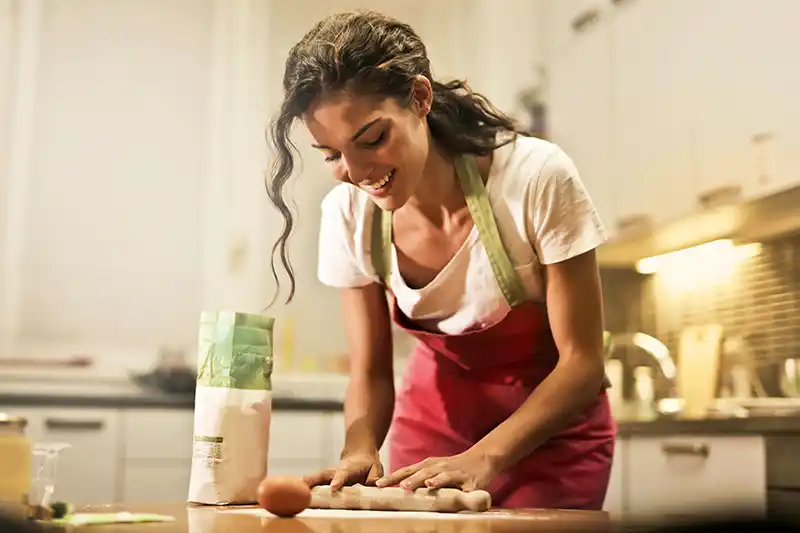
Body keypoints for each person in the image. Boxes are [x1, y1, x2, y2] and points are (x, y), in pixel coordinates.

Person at [265, 9, 615, 510]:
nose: (357, 171)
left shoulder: (535, 179)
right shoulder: (348, 214)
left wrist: (485, 457)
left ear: (421, 98)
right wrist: (359, 449)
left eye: (372, 139)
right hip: (429, 441)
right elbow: (370, 371)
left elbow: (582, 363)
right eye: (331, 154)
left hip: (552, 444)